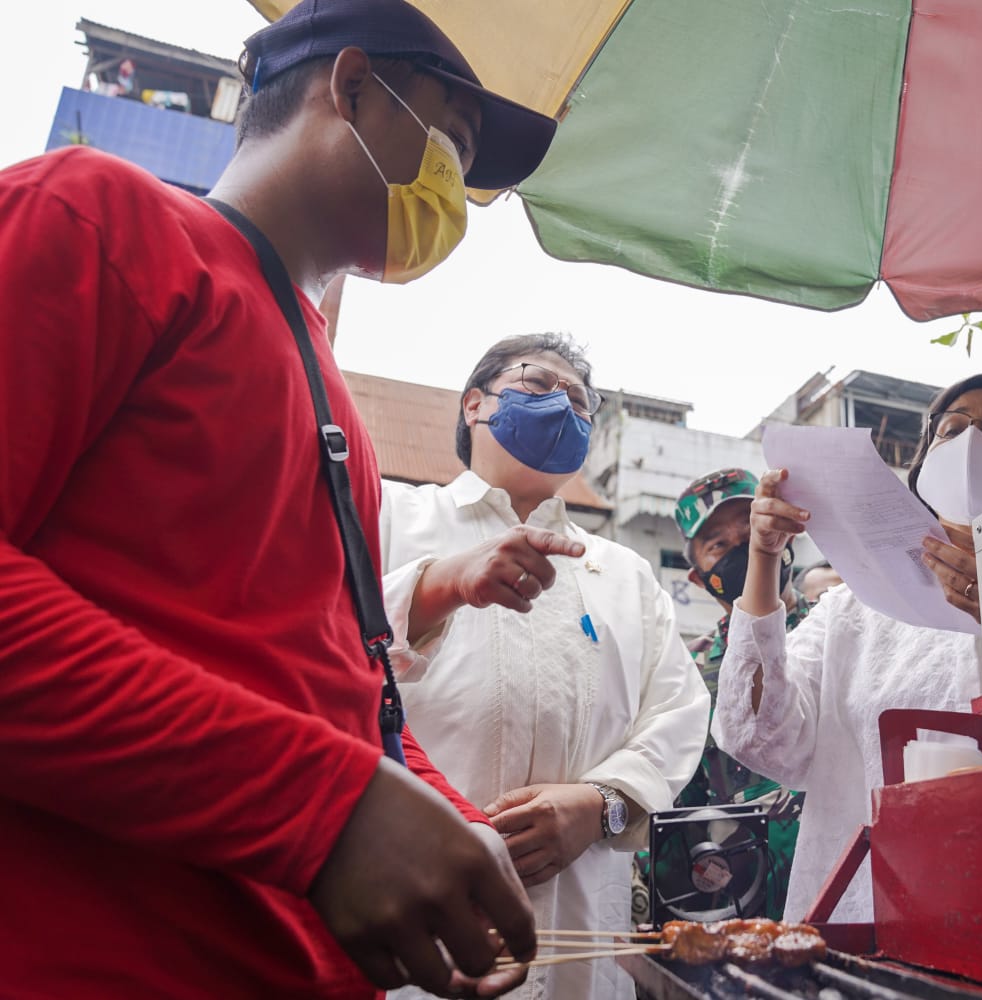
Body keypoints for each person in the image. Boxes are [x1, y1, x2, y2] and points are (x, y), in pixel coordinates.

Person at [0, 1, 565, 996]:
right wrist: (330, 807)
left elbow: (332, 692)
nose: (456, 194)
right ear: (350, 86)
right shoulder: (100, 217)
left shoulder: (332, 394)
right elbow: (325, 773)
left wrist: (446, 823)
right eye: (451, 139)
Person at [380, 333, 710, 1000]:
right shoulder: (392, 515)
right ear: (475, 405)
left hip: (583, 926)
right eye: (538, 385)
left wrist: (604, 804)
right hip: (417, 904)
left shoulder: (625, 572)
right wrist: (435, 587)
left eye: (581, 402)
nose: (563, 404)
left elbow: (678, 711)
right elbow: (324, 646)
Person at [709, 373, 982, 922]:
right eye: (951, 430)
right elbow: (756, 735)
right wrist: (763, 557)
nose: (972, 442)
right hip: (870, 910)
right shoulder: (856, 608)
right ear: (921, 471)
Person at [644, 468, 812, 923]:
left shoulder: (836, 628)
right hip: (743, 896)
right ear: (700, 578)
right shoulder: (688, 670)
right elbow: (675, 796)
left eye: (749, 528)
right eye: (719, 544)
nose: (742, 547)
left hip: (845, 874)